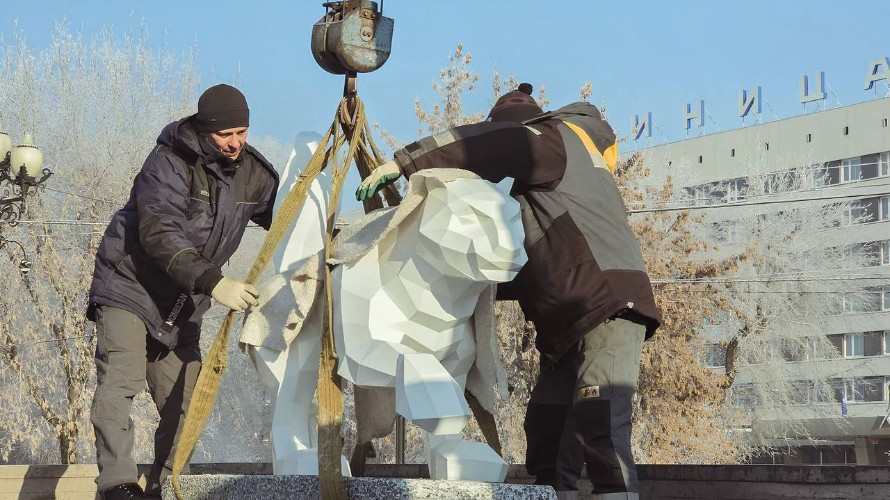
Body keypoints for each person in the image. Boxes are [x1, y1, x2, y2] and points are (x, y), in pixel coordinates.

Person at [357, 83, 662, 500]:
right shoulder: (539, 192)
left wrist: (405, 162)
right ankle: (552, 492)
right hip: (569, 325)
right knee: (548, 430)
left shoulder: (553, 140)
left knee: (600, 421)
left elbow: (490, 144)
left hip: (606, 306)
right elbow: (514, 269)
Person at [87, 84, 279, 500]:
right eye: (225, 135)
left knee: (188, 400)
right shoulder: (168, 163)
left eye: (242, 132)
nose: (235, 143)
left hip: (182, 303)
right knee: (121, 380)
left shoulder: (255, 175)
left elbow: (289, 217)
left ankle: (168, 487)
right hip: (130, 287)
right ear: (205, 129)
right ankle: (117, 484)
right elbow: (159, 233)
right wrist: (216, 282)